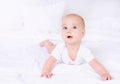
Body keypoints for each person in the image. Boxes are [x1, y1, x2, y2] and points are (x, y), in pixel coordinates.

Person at [40, 14, 112, 80]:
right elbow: (51, 60)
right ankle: (47, 42)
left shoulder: (84, 50)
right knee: (50, 50)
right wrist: (46, 71)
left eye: (74, 27)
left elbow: (94, 63)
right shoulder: (60, 48)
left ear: (82, 33)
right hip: (57, 47)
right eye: (65, 27)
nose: (68, 31)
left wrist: (103, 73)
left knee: (52, 50)